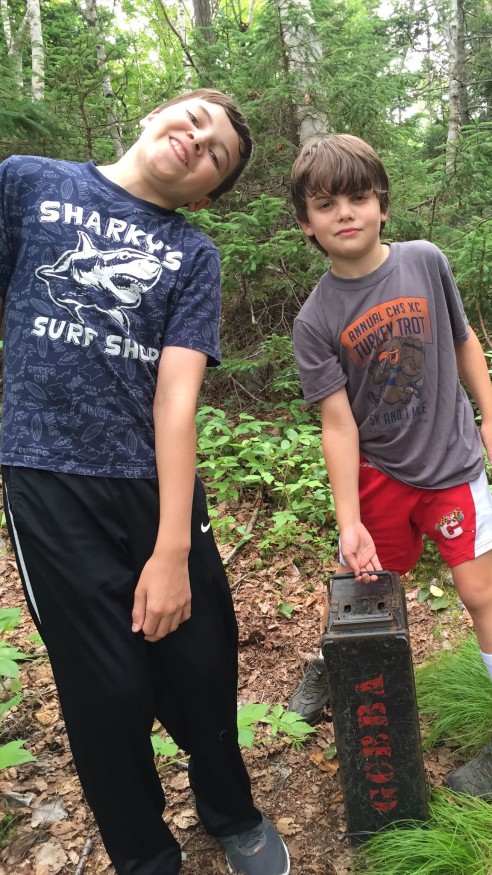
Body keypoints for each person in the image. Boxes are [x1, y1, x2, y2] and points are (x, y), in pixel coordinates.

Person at [0, 88, 289, 875]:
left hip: (156, 483)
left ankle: (231, 809)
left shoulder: (193, 254)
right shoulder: (28, 182)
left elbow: (177, 396)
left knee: (202, 665)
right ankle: (145, 852)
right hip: (48, 480)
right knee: (106, 686)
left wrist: (170, 549)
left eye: (218, 154)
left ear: (206, 192)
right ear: (155, 113)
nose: (199, 142)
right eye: (195, 121)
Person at [288, 133, 492, 800]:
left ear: (382, 204)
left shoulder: (424, 261)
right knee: (365, 586)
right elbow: (338, 423)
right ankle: (328, 660)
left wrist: (490, 415)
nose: (345, 212)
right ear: (306, 222)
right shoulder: (316, 320)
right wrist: (350, 518)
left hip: (453, 466)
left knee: (480, 590)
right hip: (380, 475)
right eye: (326, 203)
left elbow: (464, 342)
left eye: (358, 196)